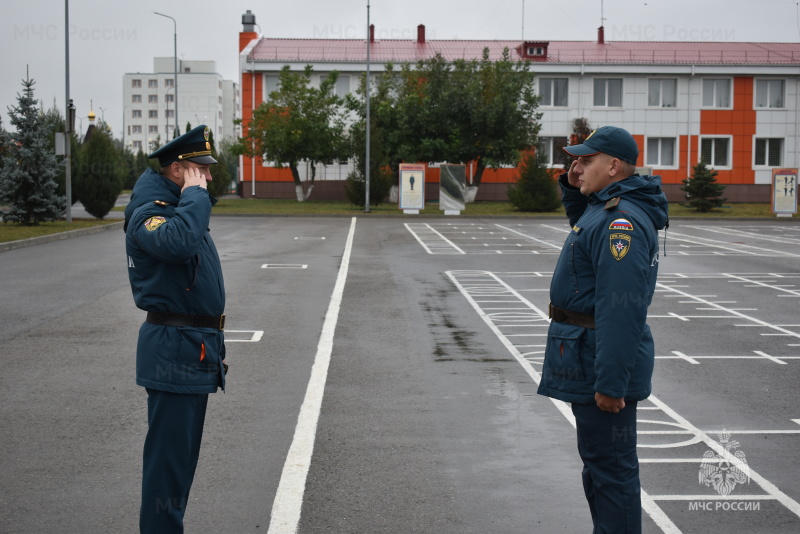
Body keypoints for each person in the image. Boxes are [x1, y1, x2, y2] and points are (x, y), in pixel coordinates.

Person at [537, 126, 669, 533]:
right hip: (584, 355)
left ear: (613, 166)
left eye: (586, 160)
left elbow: (621, 309)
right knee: (599, 470)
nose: (576, 166)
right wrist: (575, 185)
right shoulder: (605, 207)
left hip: (597, 361)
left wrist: (611, 383)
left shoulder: (621, 223)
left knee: (612, 475)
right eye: (574, 160)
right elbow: (584, 223)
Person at [124, 125, 227, 533]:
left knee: (179, 465)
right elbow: (178, 244)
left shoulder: (177, 206)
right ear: (180, 169)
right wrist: (196, 196)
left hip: (191, 347)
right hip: (174, 351)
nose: (209, 177)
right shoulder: (149, 214)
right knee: (167, 470)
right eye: (202, 169)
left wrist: (193, 198)